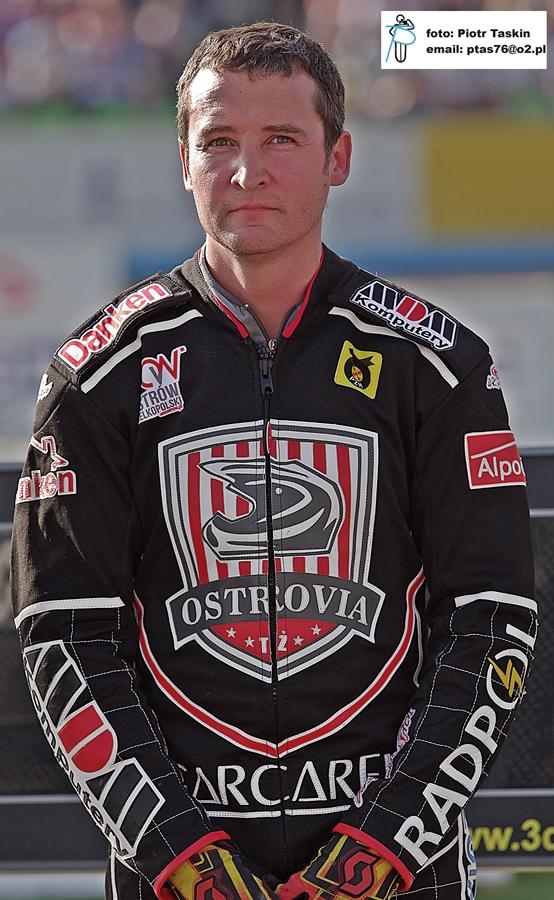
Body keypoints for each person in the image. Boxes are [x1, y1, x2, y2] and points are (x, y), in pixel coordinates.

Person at [11, 21, 536, 900]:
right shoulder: (99, 372)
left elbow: (491, 623)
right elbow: (64, 635)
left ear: (338, 158)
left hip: (397, 869)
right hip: (179, 870)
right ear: (184, 161)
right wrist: (182, 855)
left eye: (282, 140)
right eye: (219, 141)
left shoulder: (435, 362)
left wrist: (382, 849)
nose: (247, 171)